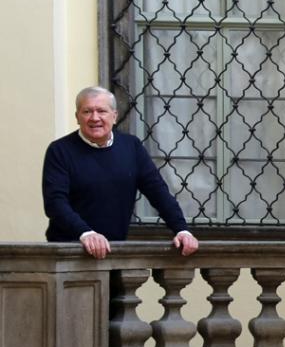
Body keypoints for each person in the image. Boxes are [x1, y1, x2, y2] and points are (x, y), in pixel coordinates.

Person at [42, 86, 198, 258]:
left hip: (116, 250)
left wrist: (182, 229)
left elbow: (157, 191)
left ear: (114, 116)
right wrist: (86, 233)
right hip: (71, 249)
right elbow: (55, 203)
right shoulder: (60, 151)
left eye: (101, 111)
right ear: (77, 117)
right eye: (87, 111)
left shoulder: (131, 147)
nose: (95, 118)